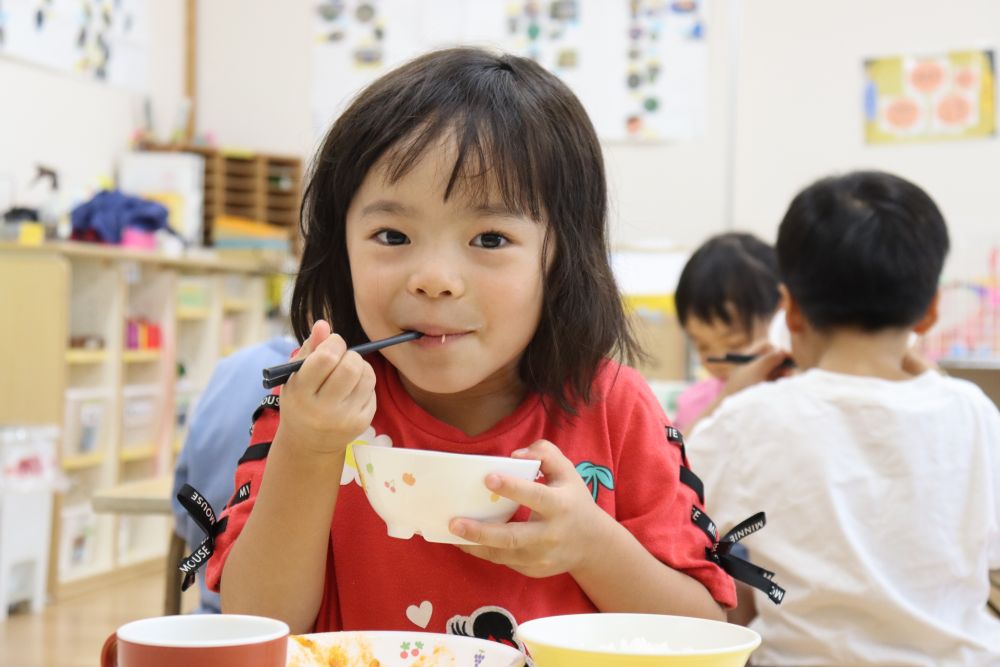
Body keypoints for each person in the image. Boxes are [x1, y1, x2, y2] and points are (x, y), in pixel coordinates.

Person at [204, 48, 743, 641]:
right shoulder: (313, 405)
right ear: (342, 247)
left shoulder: (614, 407)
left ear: (561, 256)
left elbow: (706, 634)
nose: (434, 277)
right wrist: (308, 447)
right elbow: (257, 624)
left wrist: (591, 547)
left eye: (489, 238)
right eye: (392, 234)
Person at [688, 171, 1000, 665]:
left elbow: (666, 492)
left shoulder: (750, 419)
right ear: (930, 311)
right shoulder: (975, 414)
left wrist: (724, 403)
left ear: (789, 310)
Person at [171, 336, 296, 613]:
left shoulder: (229, 368)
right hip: (281, 633)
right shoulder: (345, 383)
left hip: (209, 612)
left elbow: (181, 504)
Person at [672, 232, 783, 433]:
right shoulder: (695, 404)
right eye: (702, 346)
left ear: (782, 313)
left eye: (735, 344)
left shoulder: (791, 391)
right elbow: (674, 459)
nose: (718, 360)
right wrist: (730, 393)